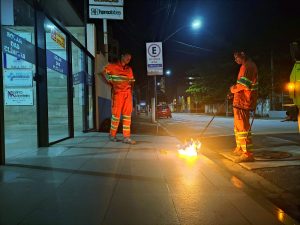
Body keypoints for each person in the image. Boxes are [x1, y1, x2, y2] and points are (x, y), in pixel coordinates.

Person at [100, 52, 136, 144]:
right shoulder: (112, 66)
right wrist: (109, 83)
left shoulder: (129, 69)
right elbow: (102, 73)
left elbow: (132, 81)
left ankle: (126, 137)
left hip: (127, 94)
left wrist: (131, 92)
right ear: (122, 56)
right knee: (116, 116)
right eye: (127, 56)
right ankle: (112, 135)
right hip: (118, 94)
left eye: (130, 58)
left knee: (127, 116)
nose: (129, 59)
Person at [230, 51, 258, 162]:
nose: (235, 60)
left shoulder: (248, 67)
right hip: (239, 101)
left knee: (243, 128)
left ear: (243, 56)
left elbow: (243, 85)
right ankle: (241, 148)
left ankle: (248, 154)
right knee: (238, 127)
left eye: (236, 57)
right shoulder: (245, 66)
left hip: (243, 102)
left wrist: (232, 89)